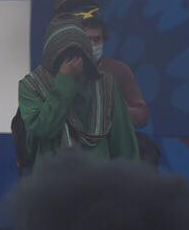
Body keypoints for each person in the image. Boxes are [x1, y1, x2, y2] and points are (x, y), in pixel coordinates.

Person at [17, 17, 140, 168]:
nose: (73, 60)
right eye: (65, 54)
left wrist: (132, 184)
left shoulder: (106, 85)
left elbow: (124, 144)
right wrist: (65, 82)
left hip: (98, 183)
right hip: (50, 183)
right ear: (51, 52)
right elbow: (45, 128)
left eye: (78, 52)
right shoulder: (31, 85)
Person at [51, 0, 151, 129]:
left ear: (104, 40)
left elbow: (142, 115)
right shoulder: (56, 70)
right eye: (86, 39)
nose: (92, 45)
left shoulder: (119, 71)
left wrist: (115, 111)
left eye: (97, 39)